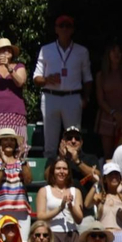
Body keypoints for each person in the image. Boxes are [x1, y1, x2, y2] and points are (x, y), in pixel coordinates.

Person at [35, 16, 90, 158]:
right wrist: (47, 79)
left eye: (68, 26)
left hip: (72, 97)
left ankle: (73, 175)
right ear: (56, 29)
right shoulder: (46, 49)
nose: (64, 29)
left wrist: (86, 98)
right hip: (50, 97)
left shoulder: (81, 51)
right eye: (61, 25)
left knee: (73, 141)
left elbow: (88, 78)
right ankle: (49, 175)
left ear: (72, 30)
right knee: (50, 143)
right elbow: (36, 78)